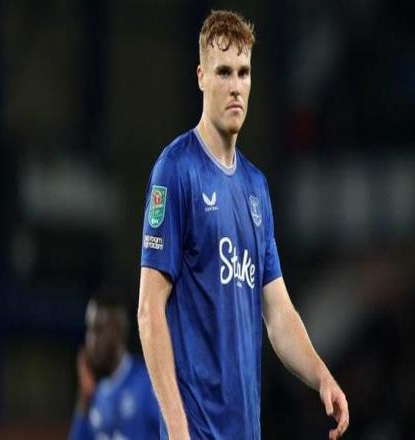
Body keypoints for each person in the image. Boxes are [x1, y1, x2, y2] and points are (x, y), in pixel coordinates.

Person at [138, 9, 349, 440]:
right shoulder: (176, 170)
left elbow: (278, 312)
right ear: (201, 77)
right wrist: (176, 426)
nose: (235, 85)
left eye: (243, 72)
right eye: (223, 72)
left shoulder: (256, 187)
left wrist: (321, 375)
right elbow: (149, 309)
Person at [69, 294, 160, 440]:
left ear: (118, 331)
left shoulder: (147, 384)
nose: (92, 340)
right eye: (90, 330)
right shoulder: (94, 394)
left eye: (99, 330)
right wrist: (84, 398)